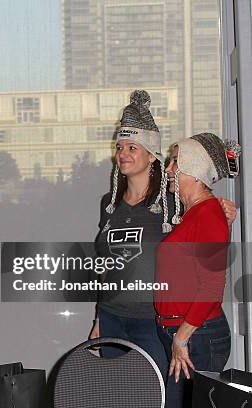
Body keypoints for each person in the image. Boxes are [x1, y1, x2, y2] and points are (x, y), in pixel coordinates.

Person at [90, 91, 236, 403]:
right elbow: (108, 265)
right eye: (119, 147)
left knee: (158, 398)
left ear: (151, 154)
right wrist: (99, 320)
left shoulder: (174, 202)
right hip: (114, 317)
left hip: (152, 320)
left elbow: (206, 263)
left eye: (132, 147)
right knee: (121, 398)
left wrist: (225, 217)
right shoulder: (109, 204)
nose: (123, 153)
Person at [155, 133, 238, 407]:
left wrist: (181, 338)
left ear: (195, 169)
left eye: (175, 162)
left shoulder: (209, 214)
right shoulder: (195, 213)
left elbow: (212, 289)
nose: (167, 169)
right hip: (184, 332)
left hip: (196, 335)